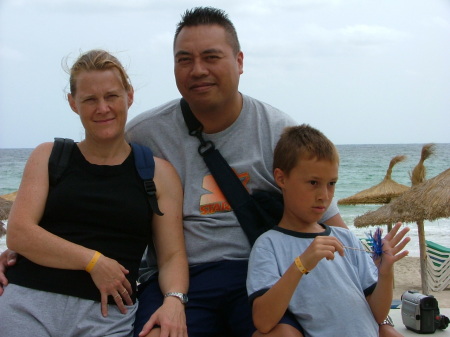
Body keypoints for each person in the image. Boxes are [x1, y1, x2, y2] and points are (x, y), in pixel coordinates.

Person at [0, 7, 402, 337]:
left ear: (239, 61)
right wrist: (20, 253)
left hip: (256, 274)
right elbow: (97, 189)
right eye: (184, 60)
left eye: (211, 57)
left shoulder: (277, 130)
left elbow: (327, 218)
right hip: (185, 278)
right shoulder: (144, 134)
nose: (197, 70)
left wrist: (378, 317)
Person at [0, 49, 188, 337]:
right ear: (73, 103)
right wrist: (93, 262)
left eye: (111, 96)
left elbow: (172, 255)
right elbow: (19, 233)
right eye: (90, 99)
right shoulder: (49, 156)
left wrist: (174, 300)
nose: (102, 108)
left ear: (130, 95)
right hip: (28, 302)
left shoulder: (156, 173)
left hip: (108, 315)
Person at [247, 124, 410, 336]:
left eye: (331, 183)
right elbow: (263, 321)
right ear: (281, 178)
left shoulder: (345, 237)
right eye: (313, 182)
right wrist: (301, 264)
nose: (324, 195)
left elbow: (377, 314)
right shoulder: (269, 245)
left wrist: (385, 274)